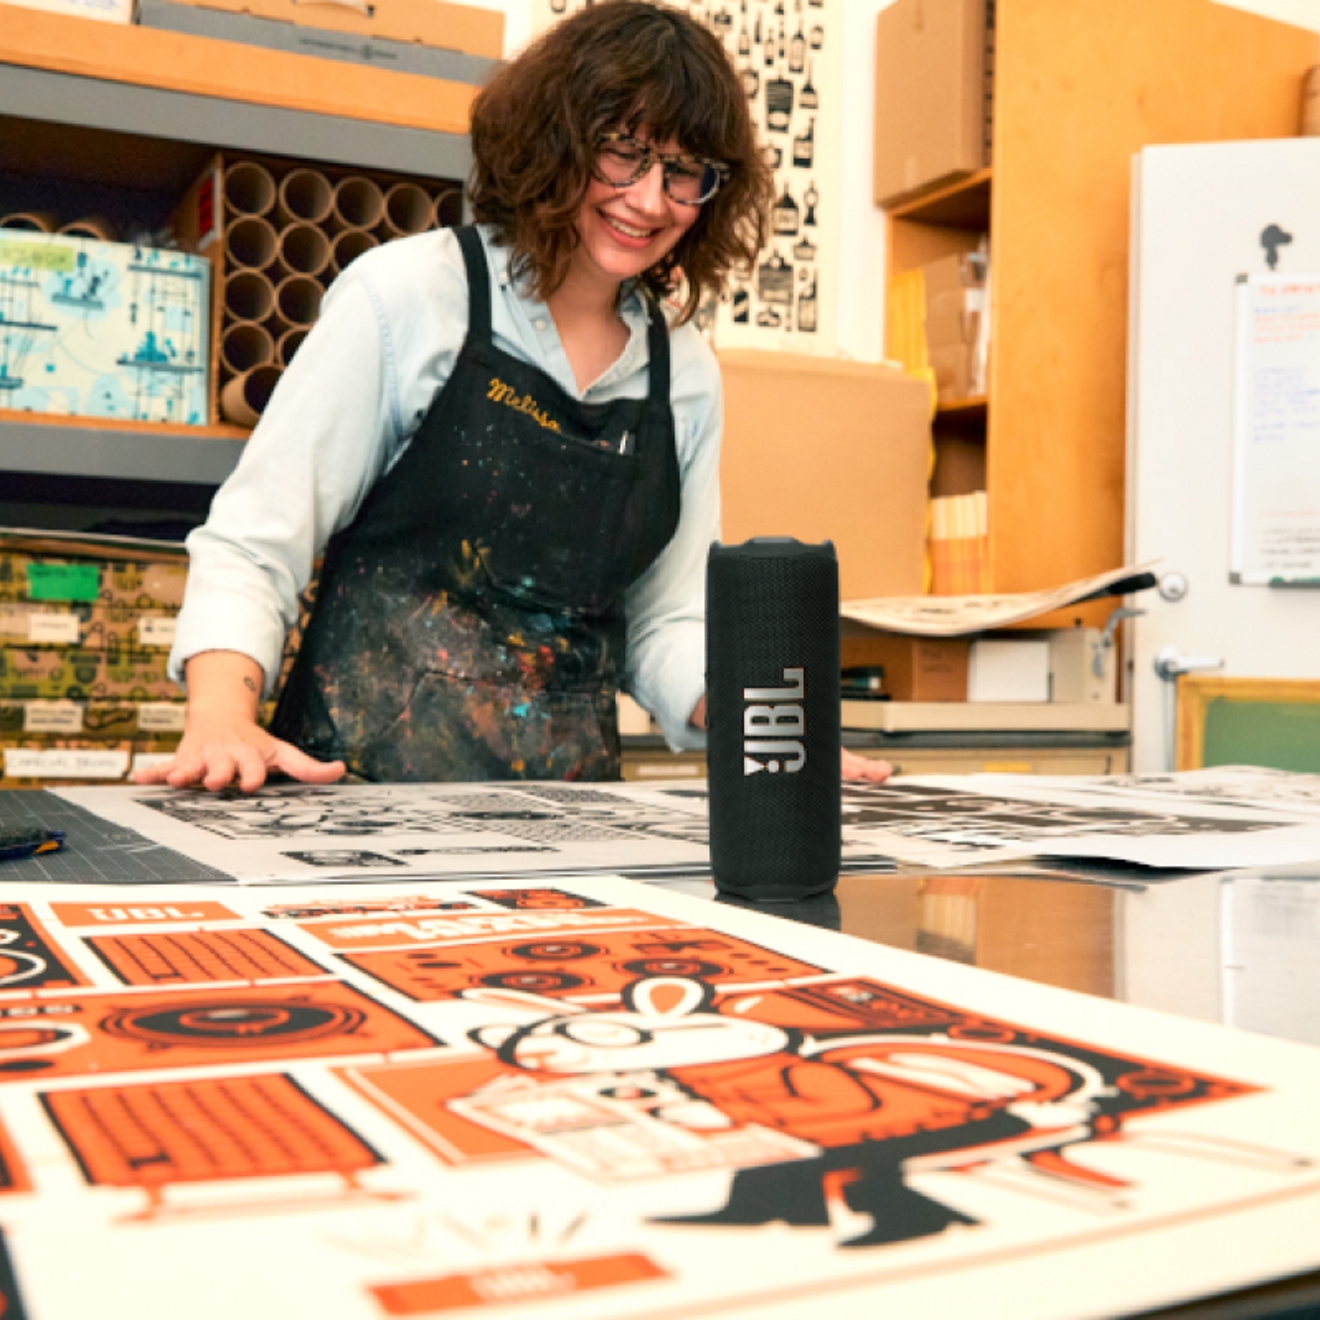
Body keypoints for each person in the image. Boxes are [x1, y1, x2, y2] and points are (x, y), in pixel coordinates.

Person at [137, 0, 892, 793]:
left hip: (566, 829)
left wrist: (763, 727)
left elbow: (666, 624)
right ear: (556, 139)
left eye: (683, 173)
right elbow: (258, 544)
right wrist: (221, 717)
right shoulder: (411, 297)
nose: (648, 200)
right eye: (623, 153)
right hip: (351, 808)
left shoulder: (687, 373)